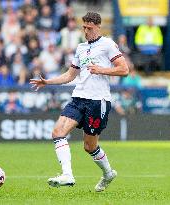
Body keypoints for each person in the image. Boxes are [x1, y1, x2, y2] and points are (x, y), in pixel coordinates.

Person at [30, 12, 129, 192]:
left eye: (89, 28)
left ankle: (108, 173)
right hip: (78, 98)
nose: (86, 31)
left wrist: (101, 69)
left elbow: (124, 69)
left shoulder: (108, 44)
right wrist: (47, 82)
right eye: (83, 27)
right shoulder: (81, 48)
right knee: (57, 132)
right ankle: (67, 174)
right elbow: (70, 75)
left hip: (98, 101)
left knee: (89, 146)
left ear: (98, 26)